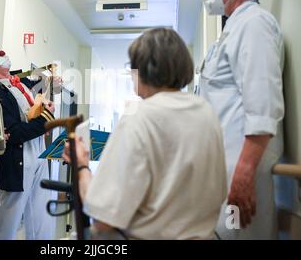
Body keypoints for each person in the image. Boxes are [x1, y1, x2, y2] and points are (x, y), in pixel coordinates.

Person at [63, 28, 227, 240]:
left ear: (142, 70)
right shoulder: (206, 112)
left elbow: (103, 219)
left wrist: (82, 165)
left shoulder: (138, 117)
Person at [198, 0, 284, 239]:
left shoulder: (255, 25)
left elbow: (263, 105)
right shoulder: (235, 29)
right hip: (223, 172)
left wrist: (245, 173)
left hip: (239, 175)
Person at [0, 46, 56, 240]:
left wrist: (54, 85)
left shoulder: (20, 82)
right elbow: (14, 133)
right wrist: (46, 119)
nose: (0, 53)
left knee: (40, 212)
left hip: (38, 150)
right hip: (18, 157)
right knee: (10, 217)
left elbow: (42, 93)